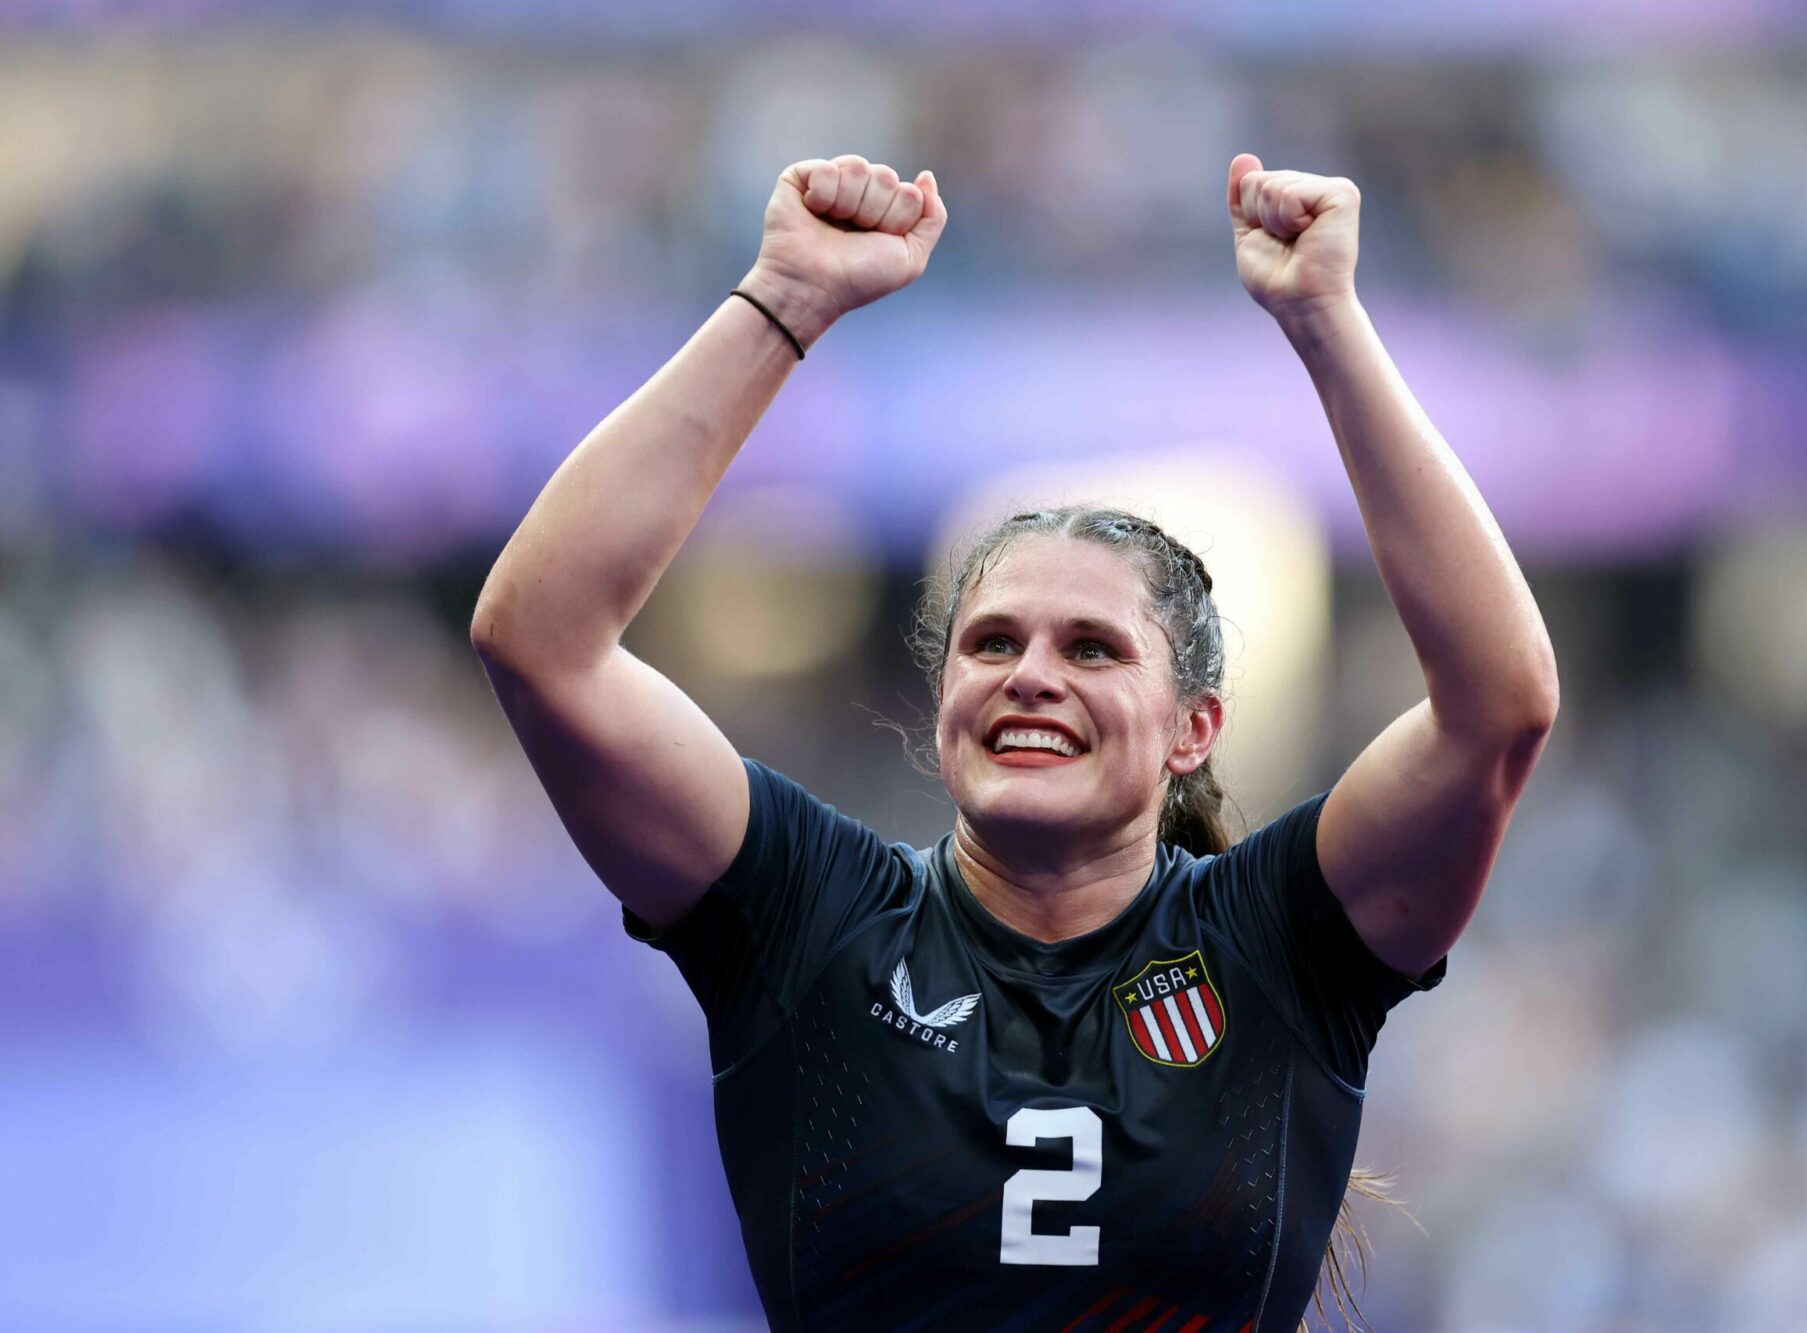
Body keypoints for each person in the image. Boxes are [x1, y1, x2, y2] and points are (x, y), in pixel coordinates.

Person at [471, 153, 1557, 1332]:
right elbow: (541, 639)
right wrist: (781, 302)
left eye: (1092, 648)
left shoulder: (1276, 946)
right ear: (943, 703)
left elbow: (1496, 706)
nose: (1031, 675)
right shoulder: (811, 918)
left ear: (1195, 729)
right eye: (991, 643)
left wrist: (1326, 325)